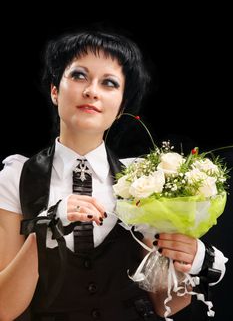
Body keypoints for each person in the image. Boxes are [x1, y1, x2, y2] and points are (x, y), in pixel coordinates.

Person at [0, 28, 228, 321]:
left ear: (120, 108)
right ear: (55, 91)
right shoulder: (16, 176)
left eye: (108, 83)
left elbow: (164, 303)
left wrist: (191, 262)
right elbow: (4, 308)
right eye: (79, 75)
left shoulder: (142, 182)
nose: (91, 91)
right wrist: (44, 228)